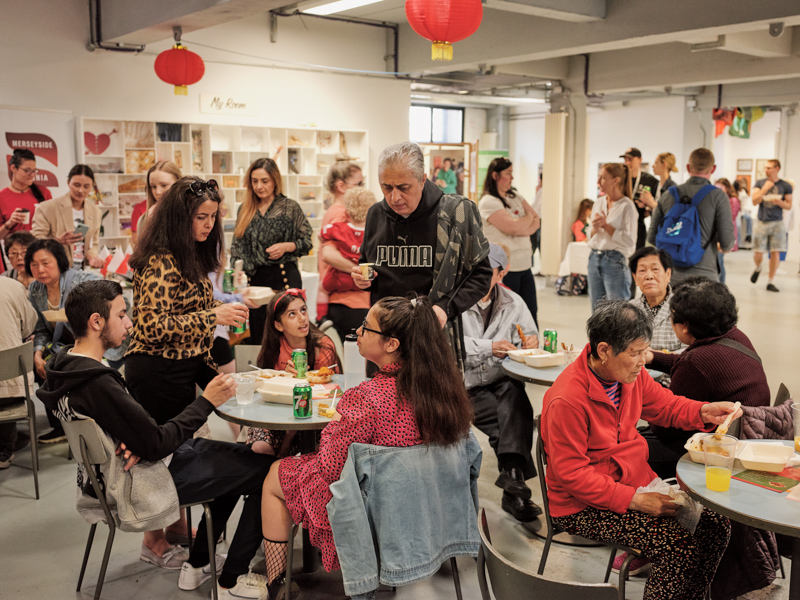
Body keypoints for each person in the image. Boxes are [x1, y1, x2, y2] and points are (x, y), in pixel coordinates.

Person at [37, 280, 276, 600]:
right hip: (138, 481)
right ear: (96, 322)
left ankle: (199, 563)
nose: (129, 323)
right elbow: (157, 444)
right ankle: (231, 580)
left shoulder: (64, 368)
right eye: (121, 315)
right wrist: (207, 401)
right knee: (267, 470)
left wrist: (130, 438)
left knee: (236, 459)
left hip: (109, 477)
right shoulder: (98, 382)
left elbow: (144, 436)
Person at [258, 295, 474, 598]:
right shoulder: (443, 390)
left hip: (372, 505)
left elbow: (330, 470)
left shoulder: (365, 399)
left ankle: (277, 583)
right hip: (427, 505)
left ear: (391, 344)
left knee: (275, 475)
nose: (357, 332)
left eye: (366, 327)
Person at [541, 300, 738, 599]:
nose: (642, 362)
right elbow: (572, 475)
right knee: (675, 545)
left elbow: (665, 404)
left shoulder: (628, 377)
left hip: (631, 483)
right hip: (579, 505)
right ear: (604, 350)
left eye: (643, 352)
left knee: (716, 526)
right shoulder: (567, 400)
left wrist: (704, 412)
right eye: (634, 354)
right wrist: (635, 500)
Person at [353, 142, 492, 371]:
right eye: (386, 187)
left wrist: (445, 307)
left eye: (403, 187)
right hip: (383, 341)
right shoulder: (376, 214)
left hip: (431, 341)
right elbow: (368, 265)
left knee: (430, 406)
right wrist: (363, 279)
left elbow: (481, 275)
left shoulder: (454, 213)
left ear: (423, 179)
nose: (394, 197)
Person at [125, 177, 248, 426]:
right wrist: (214, 316)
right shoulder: (161, 260)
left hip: (186, 362)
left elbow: (190, 306)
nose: (209, 225)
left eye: (213, 217)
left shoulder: (189, 252)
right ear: (180, 217)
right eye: (201, 217)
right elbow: (152, 326)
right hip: (158, 370)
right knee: (171, 452)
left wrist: (220, 308)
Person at [643, 277, 770, 479]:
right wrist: (651, 357)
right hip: (753, 435)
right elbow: (689, 362)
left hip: (722, 452)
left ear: (684, 326)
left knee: (627, 450)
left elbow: (665, 427)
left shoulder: (696, 362)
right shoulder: (735, 336)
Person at [463, 244, 541, 522]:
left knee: (515, 393)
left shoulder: (514, 302)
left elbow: (530, 337)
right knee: (510, 423)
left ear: (501, 273)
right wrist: (489, 347)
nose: (477, 276)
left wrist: (531, 343)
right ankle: (516, 490)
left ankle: (513, 481)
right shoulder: (454, 301)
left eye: (486, 271)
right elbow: (448, 345)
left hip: (499, 379)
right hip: (463, 385)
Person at [248, 288, 340, 457]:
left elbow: (331, 394)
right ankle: (264, 479)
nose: (302, 318)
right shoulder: (273, 348)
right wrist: (284, 377)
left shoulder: (323, 346)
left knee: (322, 449)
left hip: (314, 417)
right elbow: (261, 391)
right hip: (276, 415)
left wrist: (305, 378)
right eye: (292, 314)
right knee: (261, 447)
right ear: (278, 325)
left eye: (303, 310)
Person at [26, 238, 101, 444]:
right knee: (44, 366)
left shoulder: (79, 280)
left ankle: (91, 425)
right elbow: (40, 329)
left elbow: (108, 293)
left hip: (89, 342)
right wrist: (37, 354)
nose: (40, 269)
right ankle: (60, 426)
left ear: (59, 261)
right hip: (61, 346)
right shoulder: (35, 290)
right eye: (34, 264)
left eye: (46, 263)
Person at [230, 158, 312, 346]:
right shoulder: (245, 209)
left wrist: (287, 246)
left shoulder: (289, 207)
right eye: (255, 181)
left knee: (289, 337)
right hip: (256, 282)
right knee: (260, 336)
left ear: (275, 180)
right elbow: (237, 246)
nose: (259, 186)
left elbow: (307, 241)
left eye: (264, 181)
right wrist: (236, 271)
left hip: (284, 278)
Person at [647, 148, 735, 285]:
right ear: (713, 169)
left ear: (688, 167)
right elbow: (727, 243)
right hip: (704, 276)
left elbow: (652, 237)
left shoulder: (669, 194)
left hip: (670, 275)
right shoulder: (718, 196)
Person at [479, 156, 540, 325]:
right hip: (504, 269)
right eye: (508, 173)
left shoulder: (516, 196)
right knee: (508, 315)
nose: (512, 178)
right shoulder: (488, 202)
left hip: (525, 265)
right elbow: (513, 227)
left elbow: (536, 220)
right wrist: (524, 223)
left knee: (530, 312)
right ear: (495, 176)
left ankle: (531, 348)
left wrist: (520, 225)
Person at [319, 187, 375, 341]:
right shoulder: (374, 233)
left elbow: (327, 253)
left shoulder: (339, 230)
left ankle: (320, 317)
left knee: (322, 288)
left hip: (339, 295)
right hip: (366, 300)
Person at [317, 156, 364, 324]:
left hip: (345, 298)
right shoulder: (341, 214)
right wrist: (361, 272)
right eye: (358, 184)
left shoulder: (335, 211)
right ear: (341, 187)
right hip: (347, 299)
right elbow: (329, 255)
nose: (362, 189)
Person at [31, 164, 104, 269]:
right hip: (54, 270)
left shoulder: (95, 211)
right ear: (68, 183)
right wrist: (58, 242)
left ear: (92, 186)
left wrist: (92, 256)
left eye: (86, 186)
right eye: (77, 185)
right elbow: (36, 240)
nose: (81, 190)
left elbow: (94, 243)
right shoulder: (46, 208)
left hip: (81, 271)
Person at [587, 163, 637, 311]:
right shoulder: (599, 202)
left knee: (617, 313)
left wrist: (607, 226)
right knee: (597, 312)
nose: (598, 182)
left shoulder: (627, 206)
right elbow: (590, 235)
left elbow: (630, 242)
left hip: (615, 261)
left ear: (615, 180)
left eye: (603, 178)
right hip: (594, 258)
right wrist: (595, 228)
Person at [0, 276, 37, 468]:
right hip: (12, 388)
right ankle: (5, 449)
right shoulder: (13, 286)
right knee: (7, 386)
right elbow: (29, 327)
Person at [628, 246, 685, 355]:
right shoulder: (629, 309)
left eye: (655, 269)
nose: (649, 276)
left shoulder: (684, 307)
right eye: (642, 270)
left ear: (668, 274)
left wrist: (657, 356)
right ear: (635, 278)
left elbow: (691, 350)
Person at [750, 159, 793, 292]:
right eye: (766, 168)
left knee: (775, 252)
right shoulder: (760, 183)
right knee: (758, 252)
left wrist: (779, 203)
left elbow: (789, 205)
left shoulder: (785, 185)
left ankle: (771, 281)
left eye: (769, 168)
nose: (767, 170)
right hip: (762, 221)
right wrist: (764, 189)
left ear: (777, 168)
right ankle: (758, 267)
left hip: (777, 222)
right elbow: (754, 201)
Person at [0, 148, 52, 243]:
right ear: (13, 168)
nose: (32, 175)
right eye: (27, 170)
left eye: (34, 171)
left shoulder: (44, 192)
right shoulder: (2, 197)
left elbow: (53, 225)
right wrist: (10, 223)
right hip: (15, 252)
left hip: (39, 249)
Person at [132, 160, 182, 244]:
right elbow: (143, 251)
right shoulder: (145, 218)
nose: (158, 192)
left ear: (178, 184)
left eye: (164, 185)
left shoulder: (192, 214)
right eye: (153, 186)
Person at [621, 148, 659, 251]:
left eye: (630, 159)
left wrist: (648, 208)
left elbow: (657, 205)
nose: (627, 163)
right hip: (622, 225)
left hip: (639, 226)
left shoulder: (651, 181)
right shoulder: (621, 180)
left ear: (639, 160)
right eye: (625, 160)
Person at [714, 178, 740, 283]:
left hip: (725, 234)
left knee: (719, 262)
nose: (717, 190)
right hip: (716, 234)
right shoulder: (716, 199)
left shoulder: (733, 200)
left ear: (726, 188)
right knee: (719, 262)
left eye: (720, 187)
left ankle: (721, 286)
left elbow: (730, 217)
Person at [734, 178, 753, 246]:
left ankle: (748, 235)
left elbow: (746, 202)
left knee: (749, 218)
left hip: (744, 210)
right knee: (738, 225)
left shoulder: (743, 192)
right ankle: (737, 243)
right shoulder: (734, 193)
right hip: (737, 212)